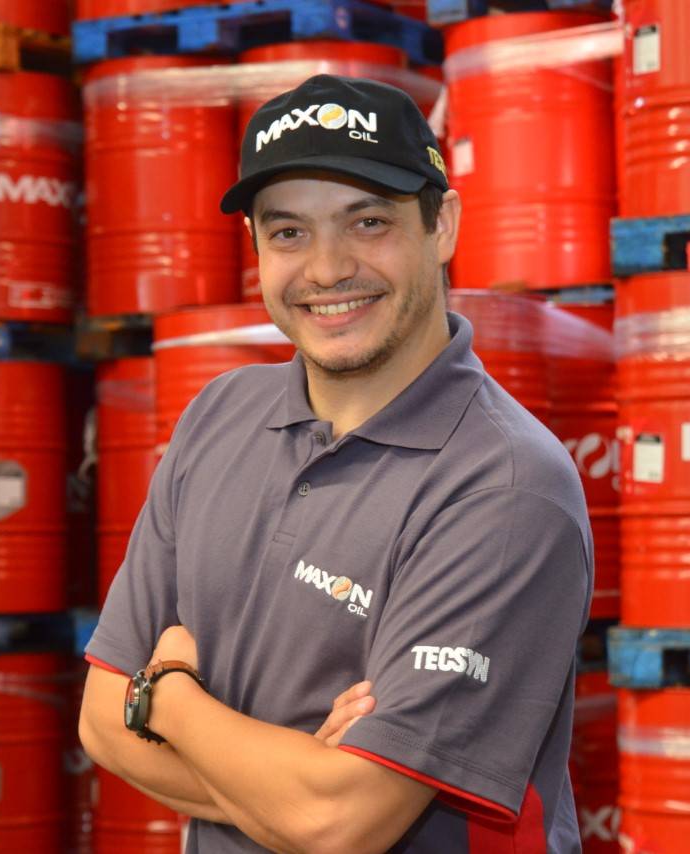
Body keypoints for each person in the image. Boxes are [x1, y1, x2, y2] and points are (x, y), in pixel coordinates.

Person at [79, 73, 593, 853]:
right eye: (289, 233)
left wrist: (169, 696)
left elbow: (342, 821)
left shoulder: (506, 486)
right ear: (255, 247)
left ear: (443, 225)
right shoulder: (219, 416)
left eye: (368, 222)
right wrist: (296, 785)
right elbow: (99, 719)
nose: (325, 270)